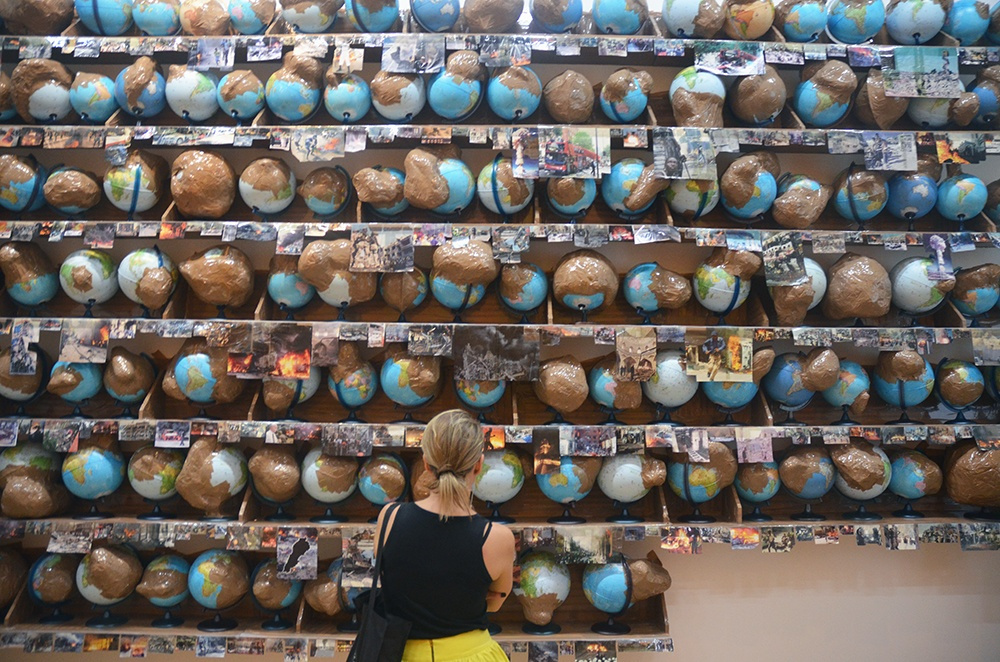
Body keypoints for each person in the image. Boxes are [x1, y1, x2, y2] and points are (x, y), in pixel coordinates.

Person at [375, 409, 515, 662]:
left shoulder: (390, 517)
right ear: (479, 465)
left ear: (426, 464)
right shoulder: (497, 537)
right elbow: (495, 602)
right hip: (472, 655)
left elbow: (394, 583)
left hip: (400, 653)